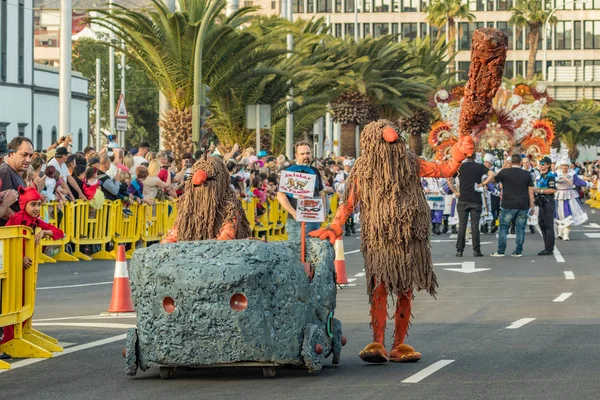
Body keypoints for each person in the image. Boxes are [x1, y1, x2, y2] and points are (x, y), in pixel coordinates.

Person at [0, 186, 64, 353]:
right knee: (12, 302)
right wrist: (20, 256)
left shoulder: (35, 221)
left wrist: (44, 232)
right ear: (24, 205)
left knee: (23, 301)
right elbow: (7, 241)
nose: (36, 208)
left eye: (38, 204)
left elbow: (60, 232)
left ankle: (19, 335)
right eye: (32, 204)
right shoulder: (16, 218)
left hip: (23, 270)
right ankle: (8, 339)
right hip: (11, 267)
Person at [276, 141, 324, 241]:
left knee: (313, 253)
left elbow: (320, 192)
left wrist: (322, 212)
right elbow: (280, 195)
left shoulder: (315, 171)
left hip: (313, 219)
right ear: (296, 155)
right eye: (302, 154)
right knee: (296, 253)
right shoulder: (289, 170)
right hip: (295, 222)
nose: (305, 156)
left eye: (307, 153)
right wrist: (294, 213)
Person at [491, 154, 534, 257]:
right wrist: (532, 205)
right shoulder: (527, 174)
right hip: (523, 204)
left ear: (510, 162)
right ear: (520, 162)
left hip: (508, 204)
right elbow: (530, 190)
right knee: (521, 228)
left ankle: (501, 251)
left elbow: (493, 180)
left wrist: (503, 167)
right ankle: (518, 251)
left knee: (503, 228)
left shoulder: (505, 172)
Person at [455, 153, 495, 257]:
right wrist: (483, 183)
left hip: (463, 199)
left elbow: (450, 176)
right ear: (475, 157)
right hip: (476, 199)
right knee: (475, 226)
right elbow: (492, 174)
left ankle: (459, 250)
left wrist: (454, 190)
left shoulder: (460, 166)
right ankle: (476, 250)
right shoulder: (479, 166)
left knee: (462, 226)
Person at [554, 155, 592, 241]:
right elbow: (551, 181)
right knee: (559, 214)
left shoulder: (572, 173)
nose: (564, 167)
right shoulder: (556, 173)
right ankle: (560, 231)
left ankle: (566, 234)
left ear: (569, 166)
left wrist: (589, 184)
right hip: (559, 195)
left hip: (570, 195)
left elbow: (578, 181)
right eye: (563, 165)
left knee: (569, 214)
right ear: (560, 166)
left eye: (566, 165)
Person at [0, 137, 33, 225]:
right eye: (24, 155)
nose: (28, 160)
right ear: (11, 154)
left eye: (30, 155)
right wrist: (25, 222)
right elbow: (5, 209)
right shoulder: (5, 171)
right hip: (8, 234)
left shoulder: (13, 172)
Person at [532, 156, 556, 255]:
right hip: (541, 202)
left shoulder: (550, 176)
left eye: (543, 164)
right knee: (542, 224)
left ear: (548, 165)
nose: (541, 166)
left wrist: (540, 191)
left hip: (548, 201)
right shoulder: (541, 176)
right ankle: (547, 246)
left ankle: (549, 248)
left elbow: (553, 189)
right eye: (540, 164)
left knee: (548, 225)